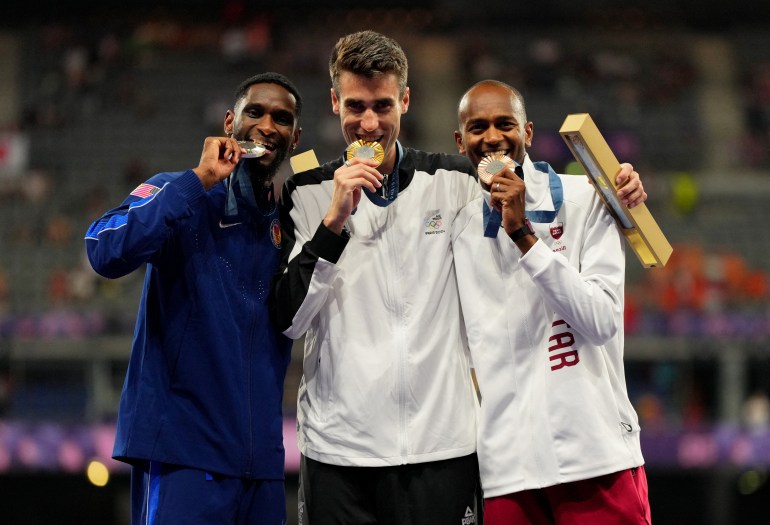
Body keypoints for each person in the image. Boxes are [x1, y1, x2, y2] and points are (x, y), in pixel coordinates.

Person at [269, 30, 483, 525]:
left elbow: (529, 203)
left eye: (383, 106)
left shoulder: (455, 182)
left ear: (405, 100)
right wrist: (334, 221)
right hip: (340, 455)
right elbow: (288, 319)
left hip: (442, 447)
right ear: (334, 102)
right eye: (356, 106)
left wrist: (609, 191)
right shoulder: (306, 193)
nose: (369, 123)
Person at [85, 72, 302, 525]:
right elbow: (103, 250)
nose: (267, 125)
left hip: (261, 465)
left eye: (282, 118)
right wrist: (198, 179)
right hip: (185, 452)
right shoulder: (182, 195)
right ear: (229, 123)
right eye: (255, 112)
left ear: (294, 138)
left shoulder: (290, 227)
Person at [452, 79, 652, 524]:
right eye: (477, 127)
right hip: (509, 470)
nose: (491, 138)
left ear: (527, 132)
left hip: (595, 456)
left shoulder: (588, 197)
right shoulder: (456, 226)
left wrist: (525, 236)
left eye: (505, 124)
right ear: (459, 140)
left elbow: (600, 321)